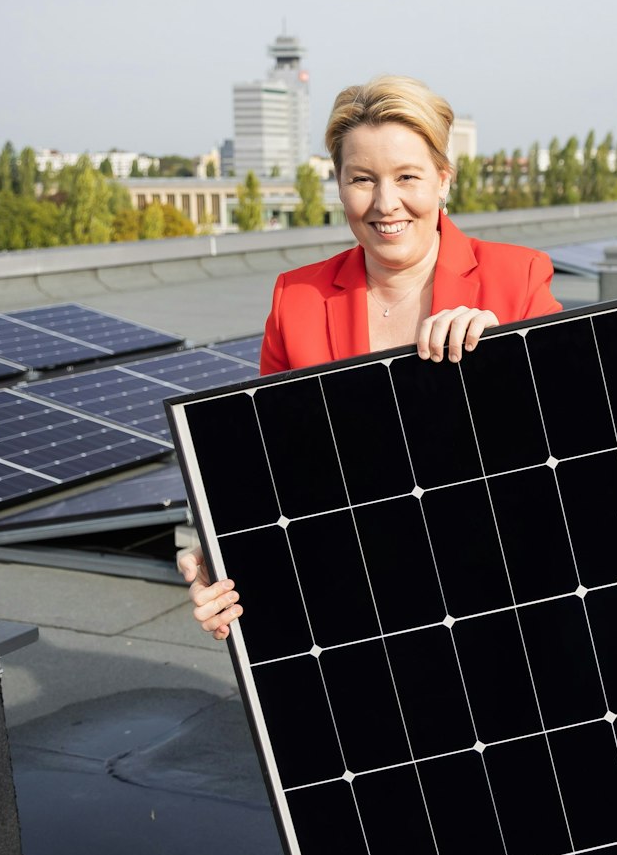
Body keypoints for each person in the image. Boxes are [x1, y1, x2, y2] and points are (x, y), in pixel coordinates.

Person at [180, 75, 562, 640]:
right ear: (338, 185)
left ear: (443, 180)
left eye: (407, 176)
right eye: (362, 179)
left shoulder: (516, 280)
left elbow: (572, 444)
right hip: (357, 603)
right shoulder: (297, 299)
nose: (386, 203)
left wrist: (507, 354)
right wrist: (213, 548)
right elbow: (267, 466)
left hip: (502, 594)